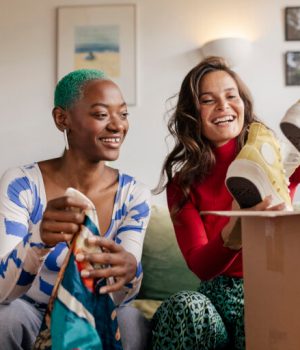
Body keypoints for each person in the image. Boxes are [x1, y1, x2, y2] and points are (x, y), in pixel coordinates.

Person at [151, 56, 300, 349]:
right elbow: (201, 267)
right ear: (193, 113)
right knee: (185, 305)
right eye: (208, 100)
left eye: (231, 96)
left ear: (243, 103)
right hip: (215, 302)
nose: (223, 106)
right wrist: (235, 230)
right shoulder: (182, 185)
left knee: (269, 309)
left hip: (269, 292)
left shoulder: (273, 158)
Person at [0, 69, 151, 349]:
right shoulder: (21, 184)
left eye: (123, 114)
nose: (118, 125)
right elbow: (2, 293)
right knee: (5, 317)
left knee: (131, 320)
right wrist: (38, 240)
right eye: (101, 114)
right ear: (62, 118)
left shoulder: (134, 195)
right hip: (30, 311)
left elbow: (120, 297)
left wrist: (132, 273)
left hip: (96, 312)